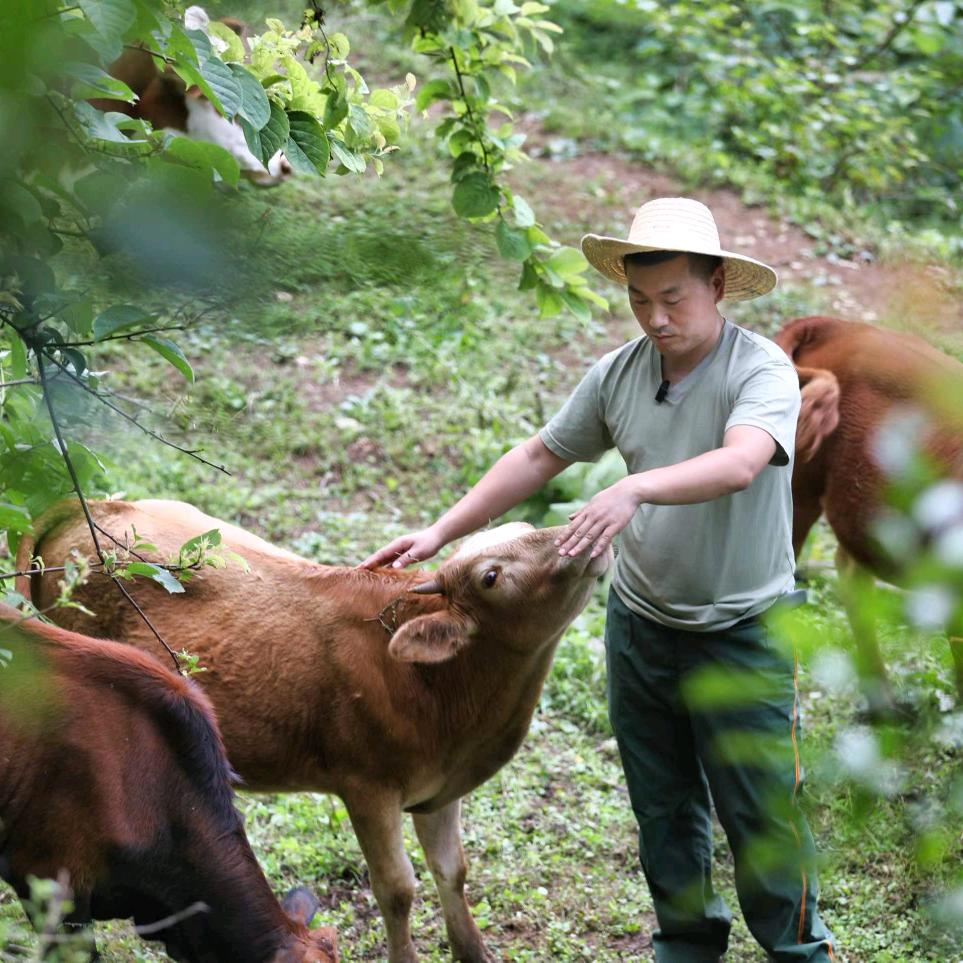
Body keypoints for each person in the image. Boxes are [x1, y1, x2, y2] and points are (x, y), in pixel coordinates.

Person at [360, 197, 836, 962]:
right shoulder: (619, 374)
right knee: (662, 802)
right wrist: (442, 529)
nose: (654, 318)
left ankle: (797, 951)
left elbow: (743, 459)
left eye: (672, 298)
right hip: (643, 622)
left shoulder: (760, 370)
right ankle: (684, 946)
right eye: (639, 300)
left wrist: (633, 487)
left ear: (716, 284)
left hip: (743, 628)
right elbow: (539, 455)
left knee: (762, 811)